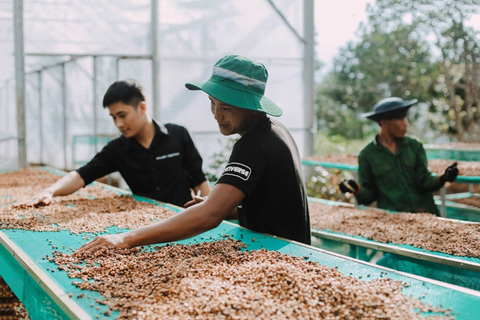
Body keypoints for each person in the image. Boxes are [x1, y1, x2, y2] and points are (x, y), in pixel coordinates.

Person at [75, 55, 311, 255]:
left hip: (281, 255)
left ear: (252, 106)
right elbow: (266, 202)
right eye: (212, 103)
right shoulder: (274, 130)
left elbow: (209, 216)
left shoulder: (252, 145)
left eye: (226, 108)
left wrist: (126, 238)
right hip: (285, 248)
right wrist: (218, 203)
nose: (217, 115)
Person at [17, 80, 210, 208]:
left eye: (122, 115)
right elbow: (83, 174)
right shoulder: (118, 150)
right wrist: (50, 191)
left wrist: (209, 213)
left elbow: (200, 180)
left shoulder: (178, 135)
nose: (118, 124)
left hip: (184, 218)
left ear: (142, 107)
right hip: (146, 224)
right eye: (113, 117)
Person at [338, 97, 458, 216]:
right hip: (395, 220)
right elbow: (369, 196)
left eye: (405, 118)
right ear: (384, 122)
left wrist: (443, 177)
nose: (406, 124)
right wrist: (356, 189)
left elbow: (424, 181)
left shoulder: (414, 146)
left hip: (426, 215)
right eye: (400, 119)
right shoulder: (367, 155)